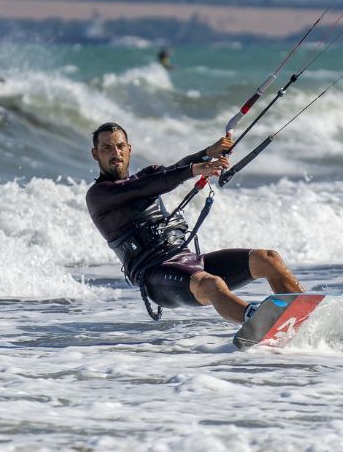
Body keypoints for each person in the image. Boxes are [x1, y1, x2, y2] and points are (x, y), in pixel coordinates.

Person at [85, 122, 304, 324]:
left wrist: (207, 153)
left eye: (120, 146)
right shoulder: (99, 195)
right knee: (212, 284)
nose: (116, 153)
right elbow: (148, 187)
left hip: (188, 260)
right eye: (107, 148)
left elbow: (171, 170)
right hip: (155, 275)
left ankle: (305, 315)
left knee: (268, 259)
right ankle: (259, 323)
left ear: (129, 148)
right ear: (95, 154)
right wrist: (193, 171)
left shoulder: (147, 175)